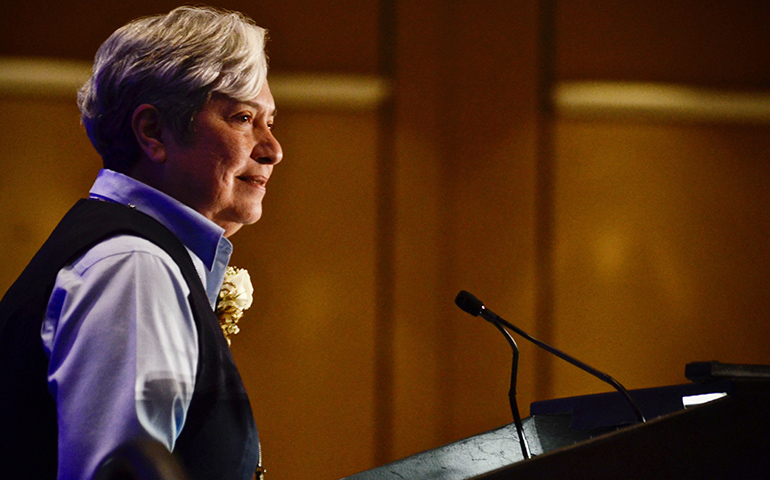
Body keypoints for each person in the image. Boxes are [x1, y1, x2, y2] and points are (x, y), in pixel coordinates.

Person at [0, 5, 282, 480]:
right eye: (242, 117)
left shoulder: (130, 252)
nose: (273, 148)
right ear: (153, 131)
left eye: (270, 121)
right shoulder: (133, 267)